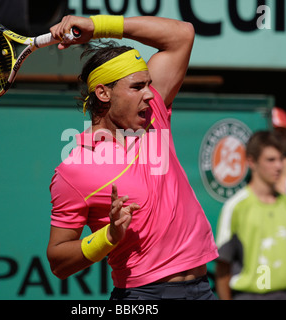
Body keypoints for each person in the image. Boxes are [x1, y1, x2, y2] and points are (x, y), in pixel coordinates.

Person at [46, 15, 218, 300]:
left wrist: (97, 26)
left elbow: (182, 34)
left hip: (202, 289)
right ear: (103, 93)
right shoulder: (73, 170)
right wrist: (108, 237)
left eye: (149, 85)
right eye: (137, 87)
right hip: (143, 296)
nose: (151, 95)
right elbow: (58, 261)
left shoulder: (154, 117)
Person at [215, 131, 286, 300]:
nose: (278, 166)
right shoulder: (236, 206)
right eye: (271, 160)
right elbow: (223, 268)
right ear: (252, 162)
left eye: (281, 159)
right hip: (248, 295)